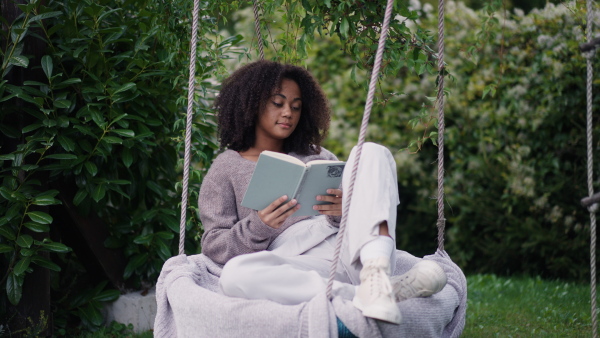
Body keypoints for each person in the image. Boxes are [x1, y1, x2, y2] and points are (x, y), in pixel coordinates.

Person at [198, 60, 447, 325]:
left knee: (372, 152)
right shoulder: (225, 168)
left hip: (346, 247)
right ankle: (376, 292)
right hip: (292, 261)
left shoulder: (319, 156)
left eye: (296, 106)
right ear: (251, 103)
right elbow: (214, 244)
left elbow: (358, 210)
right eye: (278, 103)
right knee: (236, 275)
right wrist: (260, 225)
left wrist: (342, 211)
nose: (288, 113)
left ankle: (376, 272)